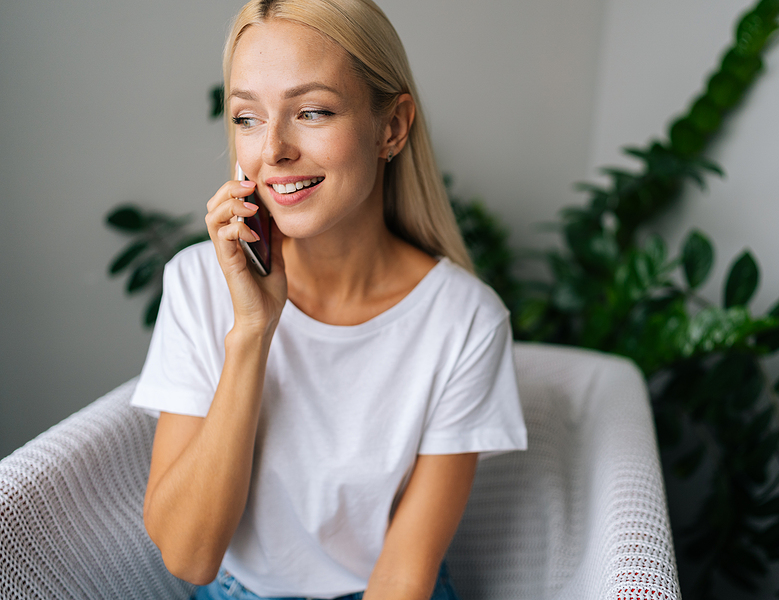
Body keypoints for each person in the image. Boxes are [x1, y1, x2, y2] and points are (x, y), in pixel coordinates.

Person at [130, 1, 528, 599]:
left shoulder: (464, 321)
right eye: (247, 118)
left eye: (312, 111)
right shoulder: (198, 283)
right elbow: (190, 558)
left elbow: (402, 577)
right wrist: (252, 331)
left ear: (391, 127)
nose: (272, 151)